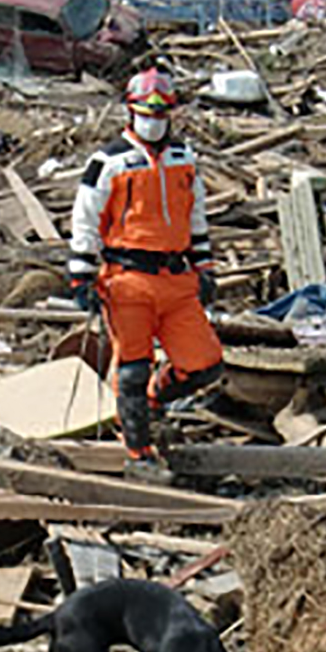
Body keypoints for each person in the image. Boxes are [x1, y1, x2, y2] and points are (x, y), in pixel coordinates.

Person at [70, 68, 223, 480]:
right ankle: (139, 453)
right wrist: (81, 275)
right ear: (131, 110)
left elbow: (196, 216)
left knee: (205, 364)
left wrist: (205, 268)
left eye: (162, 111)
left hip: (177, 278)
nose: (154, 118)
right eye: (146, 110)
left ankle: (156, 396)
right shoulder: (109, 162)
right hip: (127, 280)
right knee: (132, 368)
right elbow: (85, 220)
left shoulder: (183, 159)